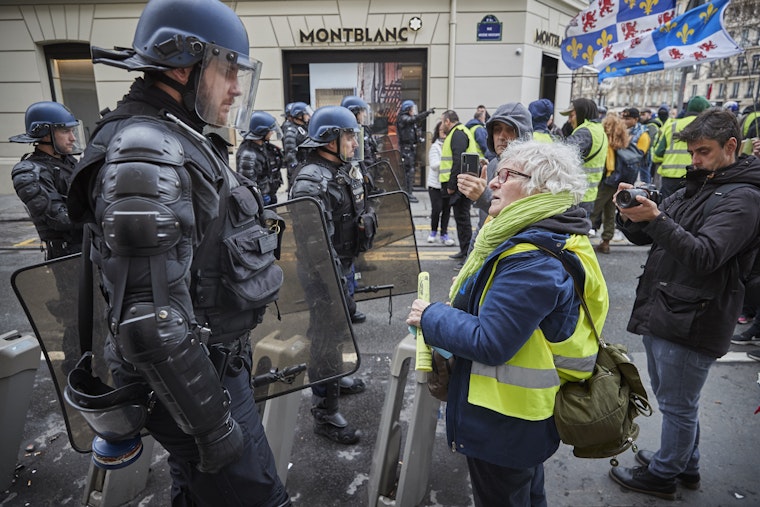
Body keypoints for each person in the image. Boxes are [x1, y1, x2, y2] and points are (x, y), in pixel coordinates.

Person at [65, 1, 291, 504]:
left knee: (196, 491)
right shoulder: (147, 146)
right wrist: (213, 428)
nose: (236, 86)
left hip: (203, 374)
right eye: (228, 68)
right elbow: (151, 321)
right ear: (182, 63)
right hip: (193, 387)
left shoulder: (179, 135)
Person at [406, 139, 608, 507]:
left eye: (505, 175)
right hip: (525, 417)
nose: (493, 183)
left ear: (539, 187)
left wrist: (431, 315)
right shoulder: (552, 233)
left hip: (506, 421)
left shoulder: (532, 258)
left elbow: (492, 342)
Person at [609, 108, 760, 501]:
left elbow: (706, 255)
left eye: (703, 152)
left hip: (696, 317)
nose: (695, 160)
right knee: (676, 401)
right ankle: (683, 464)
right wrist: (630, 214)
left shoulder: (743, 198)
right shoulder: (703, 183)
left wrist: (657, 218)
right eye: (692, 152)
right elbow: (651, 237)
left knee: (678, 405)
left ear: (732, 146)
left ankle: (663, 474)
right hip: (672, 307)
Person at [289, 105, 377, 444]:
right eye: (348, 135)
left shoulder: (339, 169)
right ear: (329, 139)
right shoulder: (312, 179)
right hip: (323, 273)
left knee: (339, 333)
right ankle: (324, 412)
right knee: (325, 339)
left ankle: (335, 379)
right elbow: (315, 247)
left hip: (342, 265)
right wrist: (335, 285)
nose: (354, 142)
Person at [10, 101, 84, 260]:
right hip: (67, 259)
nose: (72, 138)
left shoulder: (69, 162)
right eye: (65, 131)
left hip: (90, 248)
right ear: (44, 134)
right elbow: (60, 219)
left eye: (72, 131)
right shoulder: (28, 172)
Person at [457, 103, 533, 255]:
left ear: (524, 134)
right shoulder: (493, 165)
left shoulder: (533, 170)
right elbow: (483, 226)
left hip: (516, 258)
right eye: (497, 129)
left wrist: (482, 196)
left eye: (510, 130)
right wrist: (467, 269)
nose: (502, 136)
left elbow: (521, 221)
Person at [439, 109, 480, 262]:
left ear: (448, 121)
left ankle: (467, 254)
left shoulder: (458, 133)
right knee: (461, 218)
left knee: (463, 219)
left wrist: (452, 185)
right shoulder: (459, 133)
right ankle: (464, 251)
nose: (442, 125)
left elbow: (457, 161)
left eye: (443, 121)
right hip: (462, 183)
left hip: (460, 185)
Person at [651, 95, 711, 199]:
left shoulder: (672, 125)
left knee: (666, 209)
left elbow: (657, 154)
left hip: (669, 177)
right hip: (695, 175)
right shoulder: (707, 126)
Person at [560, 98, 608, 216]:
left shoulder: (585, 132)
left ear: (582, 113)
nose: (569, 120)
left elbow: (561, 155)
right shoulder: (598, 129)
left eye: (571, 116)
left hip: (577, 195)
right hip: (588, 194)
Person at [590, 113, 629, 254]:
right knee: (610, 213)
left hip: (607, 182)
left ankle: (583, 241)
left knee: (593, 210)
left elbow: (608, 167)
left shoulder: (607, 143)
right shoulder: (622, 143)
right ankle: (606, 242)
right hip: (618, 182)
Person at [236, 110, 284, 205]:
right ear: (261, 131)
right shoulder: (248, 155)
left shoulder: (262, 146)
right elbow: (247, 183)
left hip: (269, 194)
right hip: (260, 201)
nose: (272, 133)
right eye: (270, 130)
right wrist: (261, 197)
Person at [395, 100, 434, 202]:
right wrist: (427, 113)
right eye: (412, 108)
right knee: (408, 171)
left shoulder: (408, 120)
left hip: (411, 148)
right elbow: (414, 119)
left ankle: (409, 191)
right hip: (406, 149)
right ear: (407, 109)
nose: (413, 111)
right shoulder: (403, 118)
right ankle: (407, 193)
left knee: (410, 171)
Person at [426, 120, 454, 245]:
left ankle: (444, 234)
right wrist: (449, 161)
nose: (444, 133)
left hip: (447, 183)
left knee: (447, 210)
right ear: (437, 132)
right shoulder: (435, 147)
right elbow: (433, 165)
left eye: (445, 131)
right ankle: (433, 232)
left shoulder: (451, 145)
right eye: (441, 130)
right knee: (436, 210)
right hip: (435, 185)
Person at [282, 101, 313, 188]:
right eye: (306, 114)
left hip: (305, 167)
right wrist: (296, 172)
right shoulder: (291, 131)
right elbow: (290, 154)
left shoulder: (303, 128)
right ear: (299, 116)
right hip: (298, 170)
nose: (308, 116)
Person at [621, 107, 652, 184]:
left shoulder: (643, 133)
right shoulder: (621, 131)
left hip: (638, 172)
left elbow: (640, 153)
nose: (624, 121)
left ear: (636, 119)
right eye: (623, 118)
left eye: (627, 119)